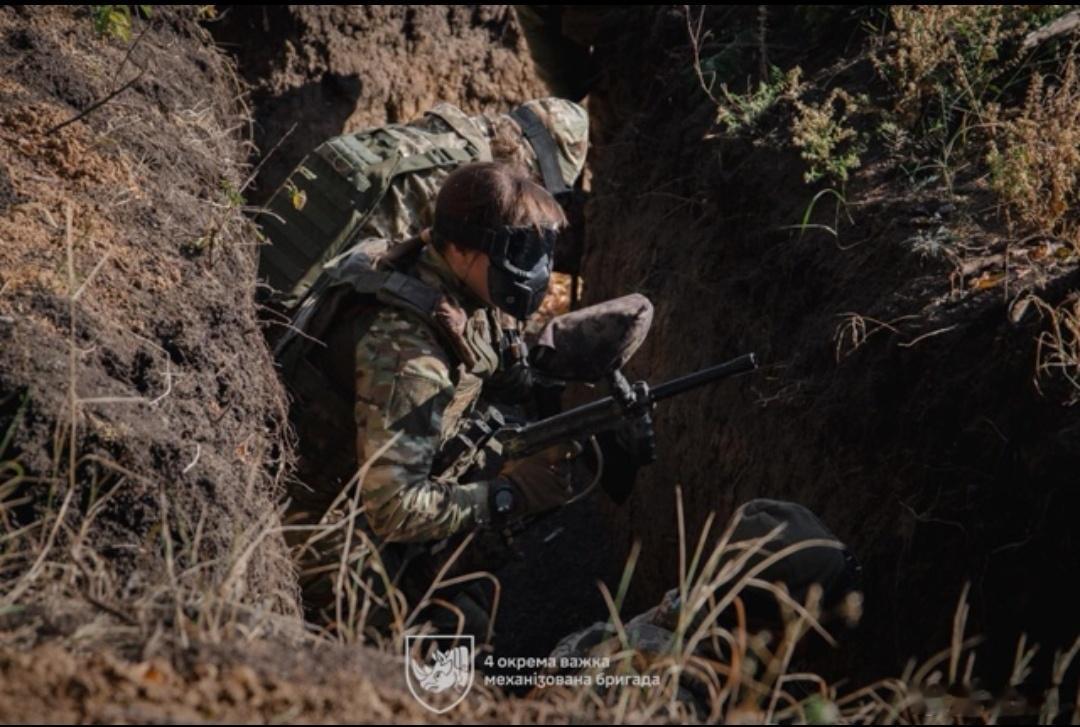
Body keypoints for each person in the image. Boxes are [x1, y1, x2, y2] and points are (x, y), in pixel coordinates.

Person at [280, 161, 597, 640]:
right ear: (465, 248)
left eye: (542, 249)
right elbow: (396, 508)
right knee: (455, 626)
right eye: (521, 250)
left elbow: (498, 369)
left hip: (371, 481)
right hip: (317, 532)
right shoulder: (407, 351)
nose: (538, 270)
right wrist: (509, 494)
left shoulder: (453, 278)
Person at [257, 98, 589, 310]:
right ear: (543, 165)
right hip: (311, 315)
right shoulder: (476, 185)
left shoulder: (445, 137)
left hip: (269, 271)